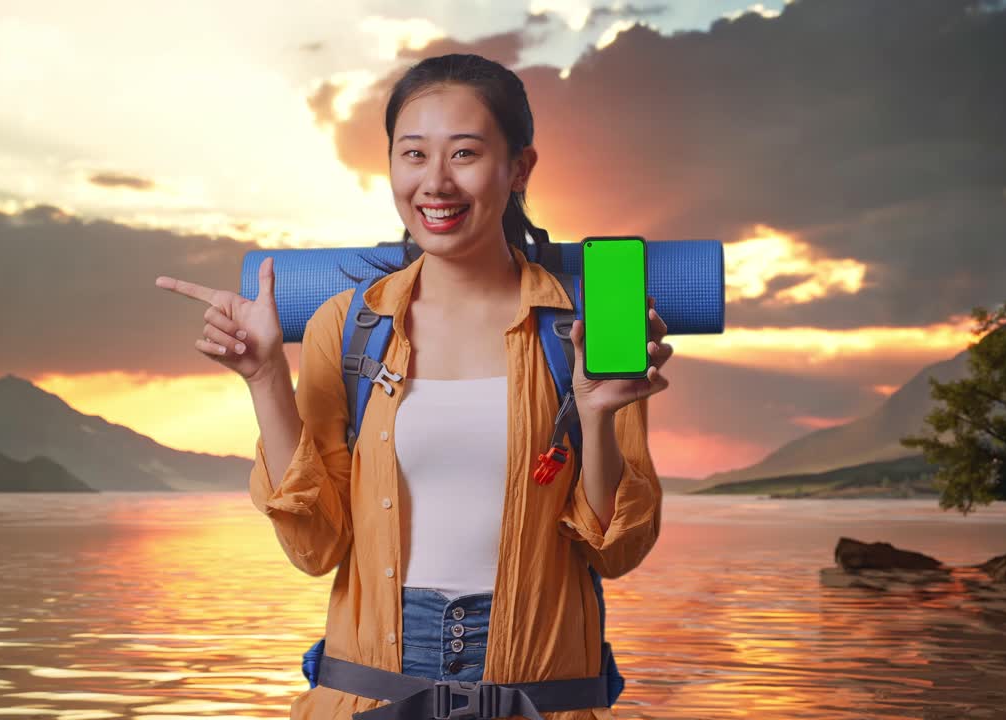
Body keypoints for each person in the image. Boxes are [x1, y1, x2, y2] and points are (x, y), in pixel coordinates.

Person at [156, 53, 671, 720]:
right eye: (413, 154)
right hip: (367, 695)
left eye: (464, 153)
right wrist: (264, 380)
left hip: (545, 700)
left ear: (518, 168)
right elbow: (316, 548)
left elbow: (617, 550)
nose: (436, 183)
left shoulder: (587, 329)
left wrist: (597, 415)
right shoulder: (345, 328)